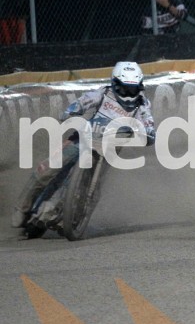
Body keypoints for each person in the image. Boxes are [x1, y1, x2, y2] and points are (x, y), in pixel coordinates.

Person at [11, 62, 156, 228]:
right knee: (49, 168)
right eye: (124, 88)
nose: (129, 93)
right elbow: (83, 102)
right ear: (115, 84)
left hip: (108, 149)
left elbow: (149, 124)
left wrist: (149, 133)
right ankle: (22, 207)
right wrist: (71, 112)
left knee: (92, 186)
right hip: (83, 138)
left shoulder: (142, 105)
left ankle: (71, 213)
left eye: (133, 88)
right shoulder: (103, 93)